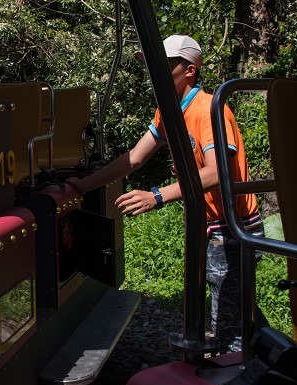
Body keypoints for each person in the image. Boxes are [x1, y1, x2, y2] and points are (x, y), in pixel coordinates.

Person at [67, 35, 263, 353]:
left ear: (190, 70)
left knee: (229, 322)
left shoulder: (208, 110)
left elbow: (215, 173)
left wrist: (156, 196)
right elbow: (135, 157)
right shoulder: (168, 112)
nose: (155, 73)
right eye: (153, 66)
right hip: (211, 222)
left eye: (165, 65)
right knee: (234, 306)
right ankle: (267, 356)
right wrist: (84, 185)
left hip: (233, 225)